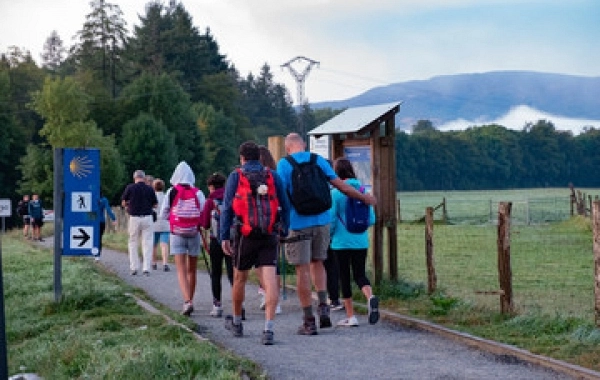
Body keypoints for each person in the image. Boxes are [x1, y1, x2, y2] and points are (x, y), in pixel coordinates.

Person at [276, 133, 376, 335]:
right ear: (304, 145)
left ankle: (309, 320)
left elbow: (281, 196)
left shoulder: (284, 165)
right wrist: (363, 198)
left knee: (302, 270)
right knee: (318, 263)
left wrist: (281, 224)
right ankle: (323, 307)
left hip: (298, 223)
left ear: (288, 148)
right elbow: (341, 185)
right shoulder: (319, 160)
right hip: (321, 221)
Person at [220, 141, 289, 345]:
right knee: (269, 281)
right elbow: (285, 205)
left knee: (240, 278)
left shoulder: (236, 176)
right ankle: (268, 329)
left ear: (241, 157)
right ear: (259, 157)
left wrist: (224, 235)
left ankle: (237, 322)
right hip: (269, 234)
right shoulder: (272, 176)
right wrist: (283, 229)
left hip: (245, 234)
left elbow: (227, 208)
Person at [329, 158, 379, 327]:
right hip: (361, 241)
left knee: (344, 277)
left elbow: (332, 220)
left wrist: (329, 235)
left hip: (340, 242)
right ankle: (370, 297)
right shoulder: (363, 191)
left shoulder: (335, 193)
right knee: (360, 274)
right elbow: (371, 219)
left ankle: (351, 317)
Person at [159, 161, 206, 316]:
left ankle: (187, 302)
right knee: (192, 270)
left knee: (181, 270)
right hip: (194, 233)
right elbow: (203, 213)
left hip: (177, 234)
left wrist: (174, 219)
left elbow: (163, 214)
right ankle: (190, 299)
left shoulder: (171, 192)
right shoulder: (198, 193)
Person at [199, 172, 233, 317]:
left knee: (216, 273)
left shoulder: (210, 202)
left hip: (215, 240)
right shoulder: (231, 198)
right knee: (233, 273)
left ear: (211, 186)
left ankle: (217, 305)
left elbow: (205, 224)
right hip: (232, 240)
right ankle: (240, 305)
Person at [256, 145, 282, 315]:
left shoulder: (251, 177)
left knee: (260, 263)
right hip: (275, 223)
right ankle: (275, 299)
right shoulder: (275, 176)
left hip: (256, 223)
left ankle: (266, 293)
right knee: (274, 262)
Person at [121, 170, 158, 276]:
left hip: (134, 218)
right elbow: (155, 205)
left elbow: (123, 203)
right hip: (147, 217)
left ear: (135, 178)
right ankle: (146, 268)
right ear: (144, 177)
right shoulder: (150, 189)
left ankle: (134, 267)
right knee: (147, 242)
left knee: (133, 242)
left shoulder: (130, 188)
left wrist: (129, 204)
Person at [152, 179, 170, 272]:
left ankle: (154, 263)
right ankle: (165, 263)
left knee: (153, 245)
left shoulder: (152, 196)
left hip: (154, 223)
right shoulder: (166, 197)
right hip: (165, 223)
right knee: (164, 244)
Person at [97, 194, 117, 261]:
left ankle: (91, 253)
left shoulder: (91, 197)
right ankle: (97, 256)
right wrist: (113, 218)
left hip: (92, 222)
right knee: (99, 238)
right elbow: (108, 209)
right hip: (101, 221)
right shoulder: (104, 199)